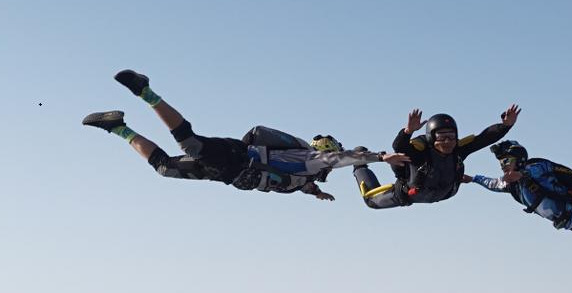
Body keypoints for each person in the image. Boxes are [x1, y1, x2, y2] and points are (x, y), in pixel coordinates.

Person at [83, 69, 406, 199]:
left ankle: (117, 126)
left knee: (164, 168)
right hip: (238, 157)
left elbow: (296, 182)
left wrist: (315, 193)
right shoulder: (312, 159)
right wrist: (379, 157)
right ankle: (146, 91)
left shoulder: (304, 177)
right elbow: (341, 158)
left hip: (225, 174)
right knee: (190, 143)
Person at [353, 105, 521, 209]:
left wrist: (505, 126)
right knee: (371, 201)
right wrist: (408, 131)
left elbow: (483, 139)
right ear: (432, 138)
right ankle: (359, 164)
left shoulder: (458, 149)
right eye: (441, 137)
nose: (447, 141)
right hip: (408, 195)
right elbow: (399, 146)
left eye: (451, 136)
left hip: (443, 194)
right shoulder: (420, 152)